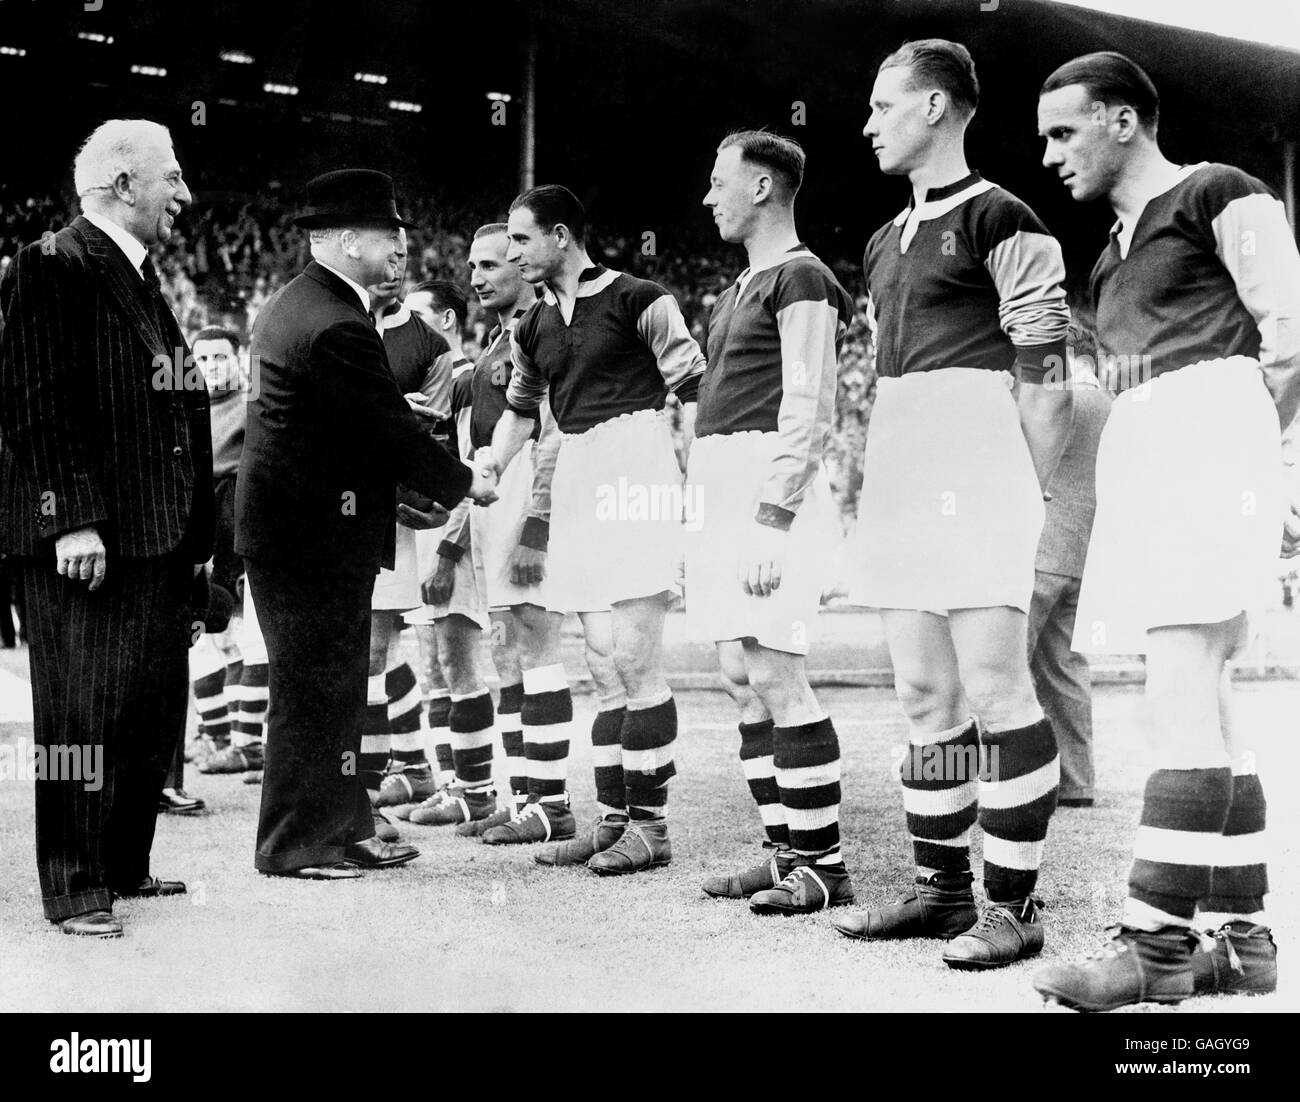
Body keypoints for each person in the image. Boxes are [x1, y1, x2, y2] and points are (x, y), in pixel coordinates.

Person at [1031, 52, 1300, 1011]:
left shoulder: (1218, 192)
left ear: (1121, 121)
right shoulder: (1109, 251)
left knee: (1178, 698)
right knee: (1209, 703)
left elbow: (1293, 331)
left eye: (1064, 132)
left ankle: (1155, 947)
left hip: (1205, 438)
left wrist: (1243, 452)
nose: (1052, 155)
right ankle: (1245, 941)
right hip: (1147, 447)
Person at [834, 40, 1073, 970]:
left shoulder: (1003, 217)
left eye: (881, 106)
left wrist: (1023, 483)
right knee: (926, 696)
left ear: (934, 107)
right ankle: (942, 891)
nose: (867, 124)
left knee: (999, 691)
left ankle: (1015, 904)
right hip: (897, 463)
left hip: (977, 466)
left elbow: (1046, 368)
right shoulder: (881, 242)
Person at [235, 169, 496, 881]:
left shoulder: (309, 304)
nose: (401, 247)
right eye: (389, 234)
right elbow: (387, 431)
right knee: (314, 689)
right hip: (308, 537)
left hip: (308, 531)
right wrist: (465, 479)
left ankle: (344, 828)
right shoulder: (336, 322)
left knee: (336, 682)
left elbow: (354, 424)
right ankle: (295, 845)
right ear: (349, 240)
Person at [0, 119, 214, 938]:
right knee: (79, 715)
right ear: (125, 186)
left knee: (146, 711)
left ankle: (124, 864)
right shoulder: (52, 263)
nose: (185, 197)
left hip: (153, 539)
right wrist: (71, 521)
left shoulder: (138, 275)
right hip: (86, 539)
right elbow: (32, 400)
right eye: (174, 179)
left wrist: (197, 542)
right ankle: (76, 886)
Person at [491, 185, 705, 874]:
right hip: (579, 468)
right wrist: (489, 467)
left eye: (521, 240)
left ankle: (654, 826)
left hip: (637, 465)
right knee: (604, 666)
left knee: (639, 659)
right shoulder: (532, 327)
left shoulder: (640, 297)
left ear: (559, 236)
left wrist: (697, 481)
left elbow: (696, 390)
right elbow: (522, 410)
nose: (511, 252)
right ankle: (615, 820)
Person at [691, 131, 857, 914]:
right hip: (723, 487)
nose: (707, 196)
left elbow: (811, 406)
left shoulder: (804, 279)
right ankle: (786, 849)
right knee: (740, 677)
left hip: (768, 493)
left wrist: (771, 516)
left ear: (761, 188)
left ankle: (824, 865)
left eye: (719, 182)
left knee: (776, 672)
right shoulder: (736, 288)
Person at [1027, 328, 1111, 809]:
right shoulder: (1116, 406)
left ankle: (1001, 780)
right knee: (1067, 672)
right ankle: (1076, 783)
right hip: (1086, 554)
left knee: (1002, 665)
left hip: (1039, 551)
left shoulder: (1057, 402)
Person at [189, 327, 269, 785]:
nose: (213, 367)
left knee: (250, 633)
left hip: (243, 523)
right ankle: (218, 736)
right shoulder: (187, 407)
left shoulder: (251, 403)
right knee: (209, 634)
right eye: (203, 360)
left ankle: (248, 742)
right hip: (202, 528)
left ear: (239, 359)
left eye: (222, 358)